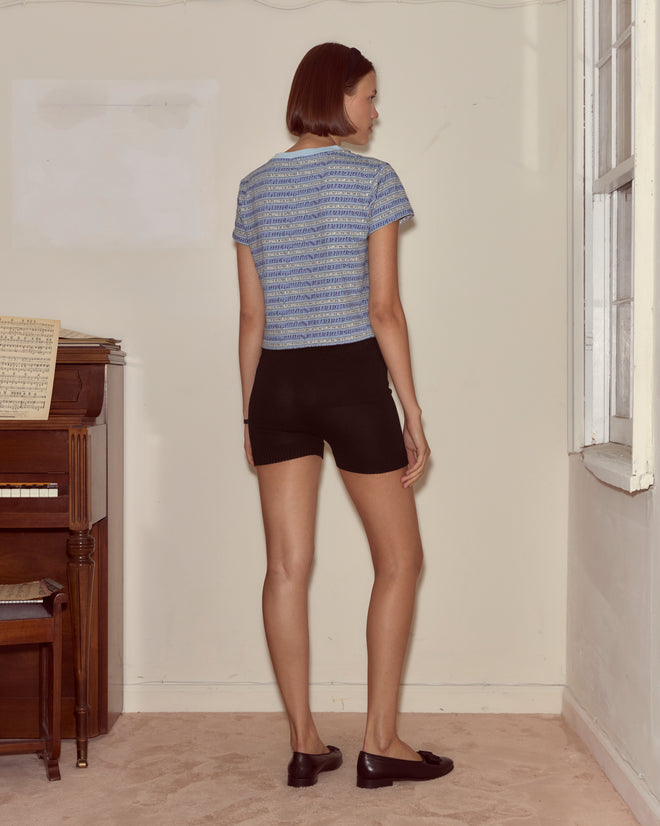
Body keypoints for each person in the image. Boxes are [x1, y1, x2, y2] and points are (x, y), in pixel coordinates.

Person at [233, 42, 453, 790]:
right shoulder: (374, 180)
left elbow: (251, 317)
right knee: (401, 561)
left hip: (278, 386)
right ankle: (380, 741)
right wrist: (412, 411)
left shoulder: (255, 186)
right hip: (352, 377)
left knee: (286, 568)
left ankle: (304, 743)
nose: (375, 111)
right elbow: (384, 308)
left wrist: (249, 412)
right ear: (335, 99)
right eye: (368, 96)